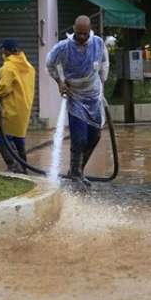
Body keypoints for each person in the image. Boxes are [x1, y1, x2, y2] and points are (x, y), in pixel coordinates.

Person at [45, 15, 109, 186]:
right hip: (75, 97)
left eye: (85, 34)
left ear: (90, 31)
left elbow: (104, 63)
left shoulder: (98, 43)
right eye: (78, 33)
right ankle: (75, 174)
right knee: (79, 138)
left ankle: (79, 170)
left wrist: (102, 85)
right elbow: (49, 63)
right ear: (74, 29)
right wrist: (59, 82)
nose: (81, 37)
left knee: (94, 136)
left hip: (94, 97)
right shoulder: (63, 47)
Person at [0, 38, 36, 174]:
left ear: (6, 51)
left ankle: (13, 166)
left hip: (10, 109)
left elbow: (3, 88)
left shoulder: (8, 67)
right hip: (24, 109)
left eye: (3, 50)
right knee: (18, 138)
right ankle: (24, 168)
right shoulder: (29, 67)